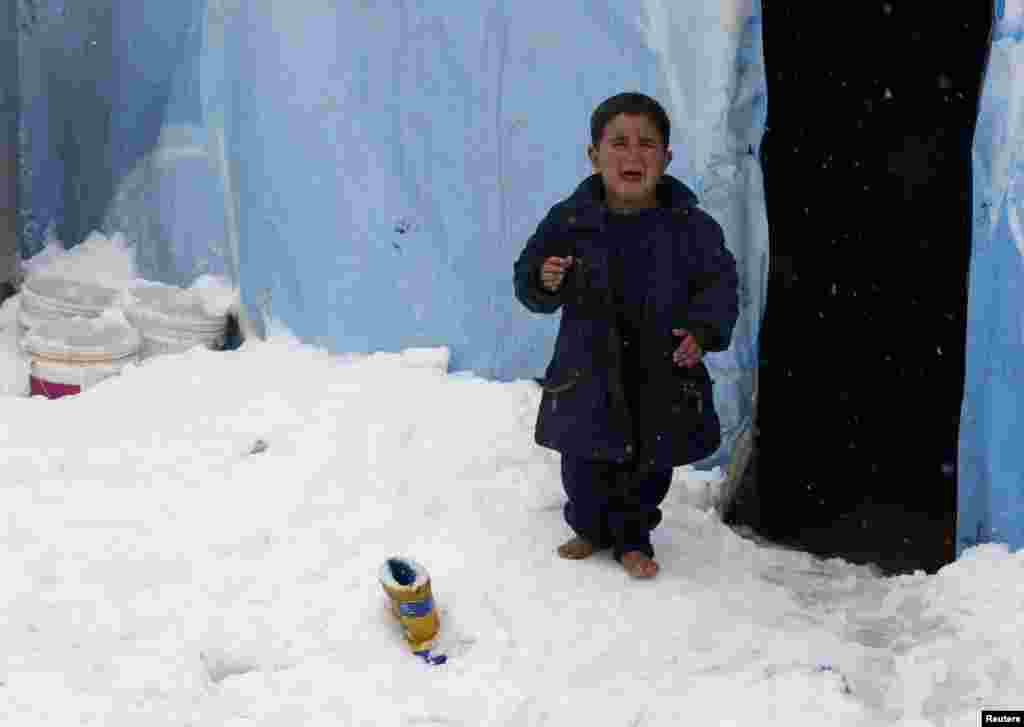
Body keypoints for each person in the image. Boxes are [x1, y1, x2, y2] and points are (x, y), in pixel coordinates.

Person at [513, 92, 739, 579]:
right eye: (618, 143)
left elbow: (720, 286)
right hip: (587, 369)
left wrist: (702, 331)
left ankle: (634, 537)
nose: (632, 156)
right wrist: (544, 277)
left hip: (660, 373)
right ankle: (590, 527)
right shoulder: (570, 220)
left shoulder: (691, 227)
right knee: (582, 462)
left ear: (667, 157)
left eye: (647, 144)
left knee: (648, 467)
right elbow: (530, 276)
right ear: (594, 156)